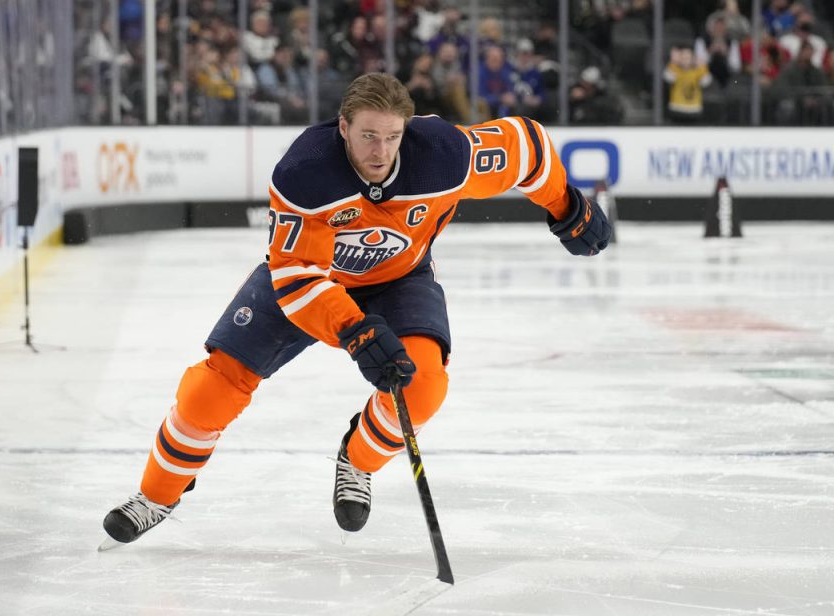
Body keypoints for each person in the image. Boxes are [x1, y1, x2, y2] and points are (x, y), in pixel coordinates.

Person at [101, 73, 612, 546]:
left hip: (401, 278)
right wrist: (355, 330)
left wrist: (566, 205)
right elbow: (296, 276)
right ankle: (157, 495)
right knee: (212, 386)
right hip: (311, 281)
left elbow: (526, 147)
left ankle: (358, 460)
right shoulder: (304, 172)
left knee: (422, 386)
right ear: (343, 127)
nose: (380, 151)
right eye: (368, 135)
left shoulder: (445, 155)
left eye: (392, 136)